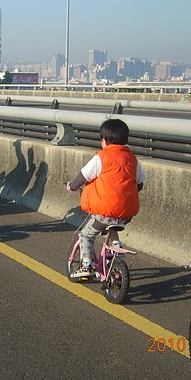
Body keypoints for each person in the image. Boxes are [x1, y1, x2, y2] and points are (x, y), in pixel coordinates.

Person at [66, 118, 145, 277]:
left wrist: (72, 185)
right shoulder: (132, 159)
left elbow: (83, 176)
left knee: (86, 235)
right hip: (126, 214)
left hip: (104, 213)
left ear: (104, 141)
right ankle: (115, 245)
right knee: (113, 225)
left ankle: (86, 264)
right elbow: (140, 184)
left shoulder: (101, 157)